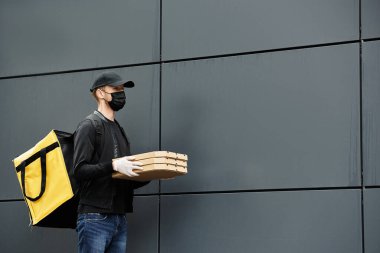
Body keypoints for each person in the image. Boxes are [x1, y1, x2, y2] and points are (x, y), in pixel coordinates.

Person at [73, 71, 150, 253]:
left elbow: (118, 179)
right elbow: (79, 170)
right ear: (100, 93)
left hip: (119, 217)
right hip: (94, 217)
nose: (121, 94)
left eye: (122, 89)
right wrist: (114, 165)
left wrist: (149, 174)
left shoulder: (119, 130)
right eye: (116, 88)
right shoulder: (89, 126)